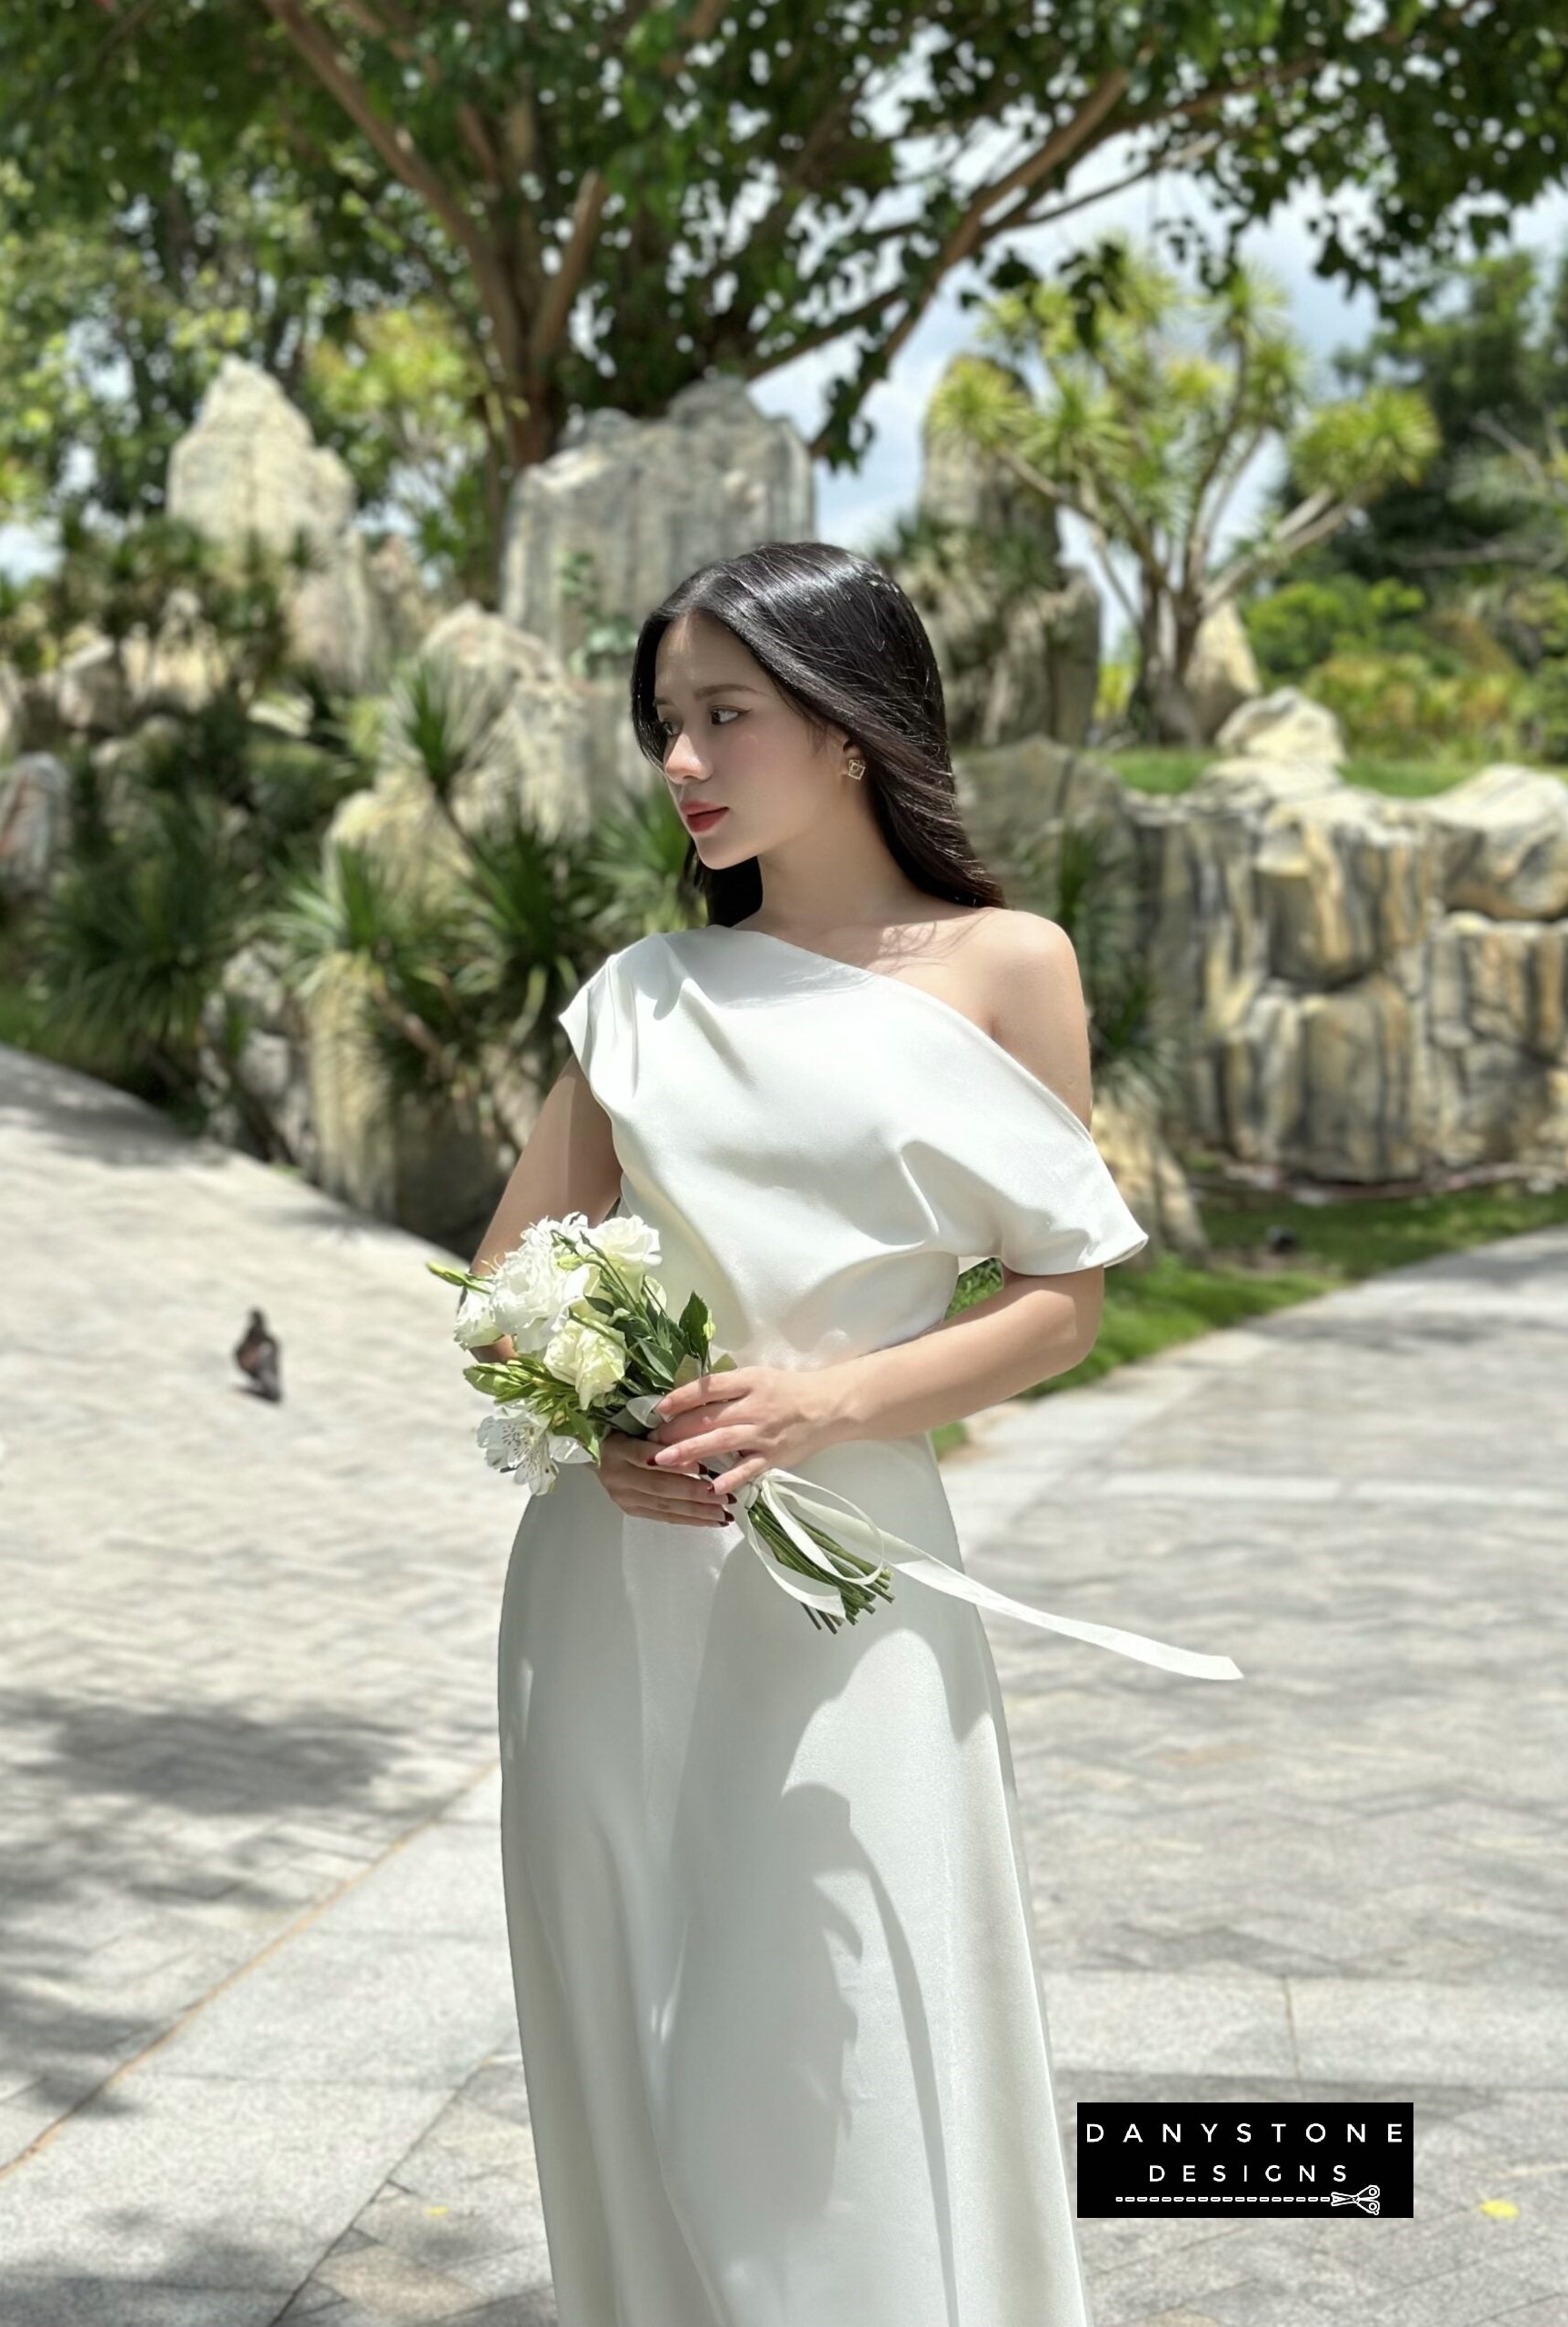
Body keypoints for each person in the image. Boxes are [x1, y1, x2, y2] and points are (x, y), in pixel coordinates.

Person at [474, 541, 1164, 2325]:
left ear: (845, 730)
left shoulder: (1005, 965)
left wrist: (825, 1400)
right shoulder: (638, 995)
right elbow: (499, 1283)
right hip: (618, 1580)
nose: (679, 761)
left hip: (847, 1581)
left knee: (836, 2007)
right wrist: (603, 1416)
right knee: (639, 2014)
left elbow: (1060, 1295)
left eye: (722, 715)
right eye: (663, 726)